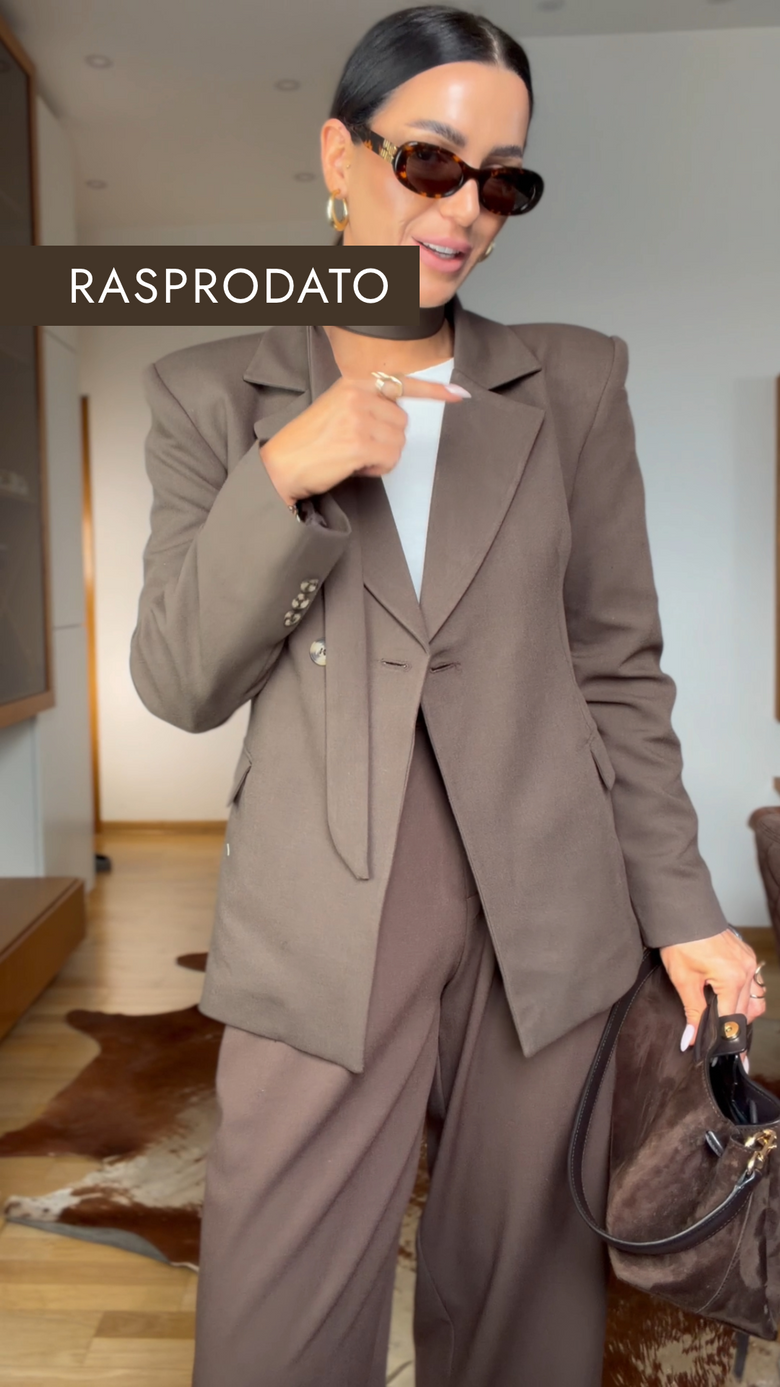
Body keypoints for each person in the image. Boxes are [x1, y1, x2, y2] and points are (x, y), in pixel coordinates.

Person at [128, 7, 767, 1385]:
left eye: (505, 181)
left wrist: (686, 907)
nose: (467, 209)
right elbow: (179, 680)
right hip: (320, 905)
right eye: (430, 161)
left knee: (523, 1309)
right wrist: (282, 477)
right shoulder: (210, 395)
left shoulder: (574, 380)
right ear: (340, 157)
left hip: (551, 898)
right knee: (276, 1322)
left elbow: (617, 668)